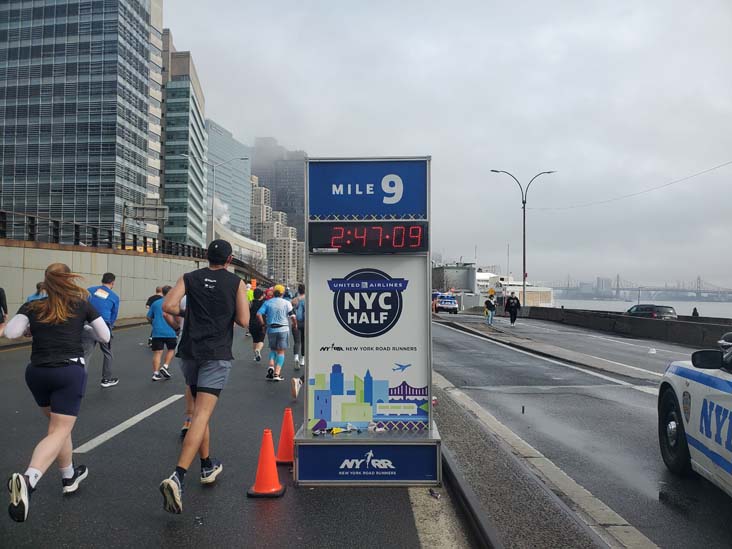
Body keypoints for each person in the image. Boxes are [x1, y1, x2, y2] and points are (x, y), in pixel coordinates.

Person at [2, 263, 110, 522]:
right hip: (68, 371)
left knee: (59, 426)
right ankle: (29, 481)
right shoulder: (82, 304)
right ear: (68, 279)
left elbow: (12, 332)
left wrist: (31, 326)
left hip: (37, 372)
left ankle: (68, 475)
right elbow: (104, 335)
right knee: (59, 430)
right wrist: (84, 327)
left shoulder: (33, 305)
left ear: (46, 281)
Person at [158, 239, 249, 515]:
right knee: (201, 416)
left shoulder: (189, 277)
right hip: (216, 353)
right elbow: (244, 321)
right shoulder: (236, 283)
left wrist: (190, 311)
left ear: (206, 256)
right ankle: (178, 476)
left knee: (199, 411)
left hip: (190, 353)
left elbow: (168, 306)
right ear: (230, 260)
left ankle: (207, 464)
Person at [84, 273, 120, 388]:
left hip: (87, 323)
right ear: (113, 283)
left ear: (102, 280)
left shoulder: (89, 290)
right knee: (107, 352)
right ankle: (106, 379)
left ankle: (79, 379)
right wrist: (110, 327)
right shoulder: (114, 296)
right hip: (104, 324)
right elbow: (114, 315)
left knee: (86, 353)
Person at [257, 284, 297, 382]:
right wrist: (294, 325)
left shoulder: (268, 302)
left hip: (271, 329)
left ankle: (271, 367)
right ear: (282, 293)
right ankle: (277, 373)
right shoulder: (287, 303)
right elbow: (293, 316)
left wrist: (263, 324)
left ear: (273, 293)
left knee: (273, 350)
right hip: (283, 329)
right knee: (281, 351)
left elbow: (258, 314)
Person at [147, 285, 178, 382]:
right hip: (171, 331)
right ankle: (165, 366)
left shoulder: (155, 303)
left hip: (157, 331)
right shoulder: (174, 304)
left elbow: (148, 317)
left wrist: (153, 324)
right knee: (171, 349)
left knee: (157, 352)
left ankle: (155, 373)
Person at [249, 288, 266, 362]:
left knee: (255, 340)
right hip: (260, 323)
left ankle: (255, 356)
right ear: (261, 295)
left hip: (252, 323)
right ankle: (258, 350)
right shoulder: (263, 303)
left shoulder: (250, 303)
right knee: (261, 340)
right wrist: (263, 324)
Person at [291, 283, 306, 369]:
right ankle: (302, 359)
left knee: (297, 342)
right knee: (304, 341)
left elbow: (290, 310)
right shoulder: (308, 299)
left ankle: (296, 357)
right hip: (306, 323)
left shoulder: (294, 300)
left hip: (296, 322)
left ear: (298, 290)